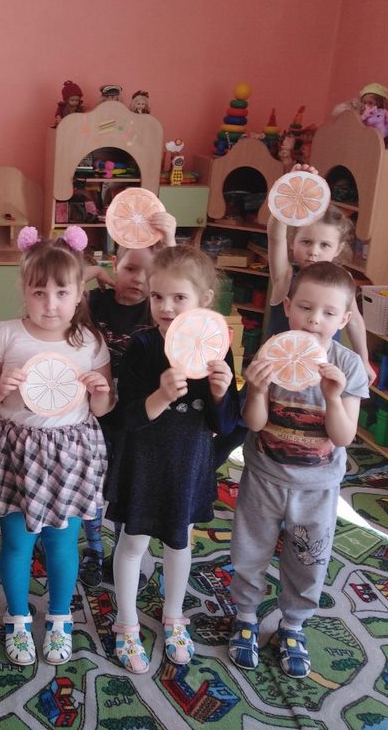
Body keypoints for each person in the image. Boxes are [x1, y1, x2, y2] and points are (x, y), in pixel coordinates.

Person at [228, 261, 369, 679]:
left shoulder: (348, 366)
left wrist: (333, 397)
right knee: (249, 550)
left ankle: (293, 624)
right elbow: (254, 423)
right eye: (305, 307)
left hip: (317, 487)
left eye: (328, 312)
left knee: (309, 559)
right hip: (265, 477)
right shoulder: (272, 354)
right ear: (288, 307)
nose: (314, 319)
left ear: (344, 319)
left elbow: (343, 436)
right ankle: (246, 615)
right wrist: (256, 388)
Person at [0, 225, 114, 666]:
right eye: (39, 292)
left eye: (62, 292)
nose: (50, 303)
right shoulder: (6, 333)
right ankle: (18, 618)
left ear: (79, 293)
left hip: (71, 453)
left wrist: (99, 391)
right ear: (24, 290)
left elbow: (103, 407)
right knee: (16, 542)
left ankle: (60, 617)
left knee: (62, 542)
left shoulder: (89, 341)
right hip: (16, 451)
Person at [106, 246, 240, 673]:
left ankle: (174, 616)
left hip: (188, 462)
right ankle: (126, 622)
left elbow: (227, 423)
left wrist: (220, 392)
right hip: (144, 462)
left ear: (205, 298)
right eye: (157, 296)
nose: (165, 307)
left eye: (178, 297)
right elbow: (126, 419)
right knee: (133, 543)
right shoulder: (142, 346)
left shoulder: (217, 349)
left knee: (180, 541)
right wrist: (161, 395)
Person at [79, 214, 177, 590]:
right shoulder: (95, 302)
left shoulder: (155, 311)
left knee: (125, 486)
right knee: (92, 484)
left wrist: (170, 240)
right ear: (115, 264)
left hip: (136, 415)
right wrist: (94, 271)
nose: (139, 279)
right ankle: (93, 548)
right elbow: (66, 283)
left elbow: (179, 282)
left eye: (148, 274)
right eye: (130, 268)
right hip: (94, 412)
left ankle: (122, 550)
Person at [266, 166, 376, 385]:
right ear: (292, 242)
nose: (314, 252)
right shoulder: (285, 276)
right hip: (278, 371)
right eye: (306, 242)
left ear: (338, 249)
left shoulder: (344, 280)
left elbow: (354, 322)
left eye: (324, 245)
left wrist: (364, 360)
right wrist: (289, 191)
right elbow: (274, 236)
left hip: (320, 373)